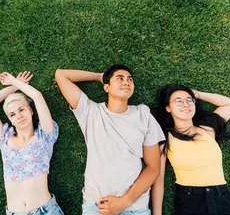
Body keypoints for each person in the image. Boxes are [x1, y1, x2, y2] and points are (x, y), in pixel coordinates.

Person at [54, 64, 164, 215]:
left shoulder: (143, 115)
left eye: (130, 79)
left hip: (134, 207)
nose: (126, 82)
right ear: (107, 87)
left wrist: (125, 201)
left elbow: (153, 167)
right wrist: (100, 76)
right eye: (120, 79)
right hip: (98, 205)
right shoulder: (91, 112)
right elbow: (61, 75)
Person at [0, 71, 65, 215]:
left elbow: (37, 96)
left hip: (45, 211)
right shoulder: (4, 138)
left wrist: (15, 81)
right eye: (12, 114)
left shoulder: (45, 135)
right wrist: (13, 86)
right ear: (10, 120)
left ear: (31, 111)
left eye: (21, 110)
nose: (18, 116)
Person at [150, 85, 230, 215]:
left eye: (189, 100)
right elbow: (159, 178)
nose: (186, 104)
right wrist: (157, 213)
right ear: (168, 108)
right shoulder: (165, 138)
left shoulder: (208, 129)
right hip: (190, 201)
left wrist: (197, 94)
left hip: (221, 196)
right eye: (179, 101)